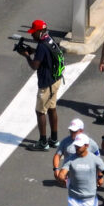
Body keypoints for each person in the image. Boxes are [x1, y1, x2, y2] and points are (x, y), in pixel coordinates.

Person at [17, 19, 63, 151]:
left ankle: (43, 142)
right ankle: (54, 139)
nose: (32, 35)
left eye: (34, 32)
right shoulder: (49, 39)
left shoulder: (42, 46)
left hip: (47, 84)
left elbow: (34, 65)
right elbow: (44, 55)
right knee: (52, 108)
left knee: (40, 111)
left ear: (40, 31)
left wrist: (26, 55)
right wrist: (32, 50)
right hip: (56, 80)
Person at [52, 119, 100, 185]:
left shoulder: (91, 143)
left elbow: (98, 161)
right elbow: (57, 155)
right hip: (69, 178)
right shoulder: (65, 142)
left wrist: (100, 177)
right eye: (71, 131)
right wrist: (56, 169)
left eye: (74, 131)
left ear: (81, 130)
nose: (72, 133)